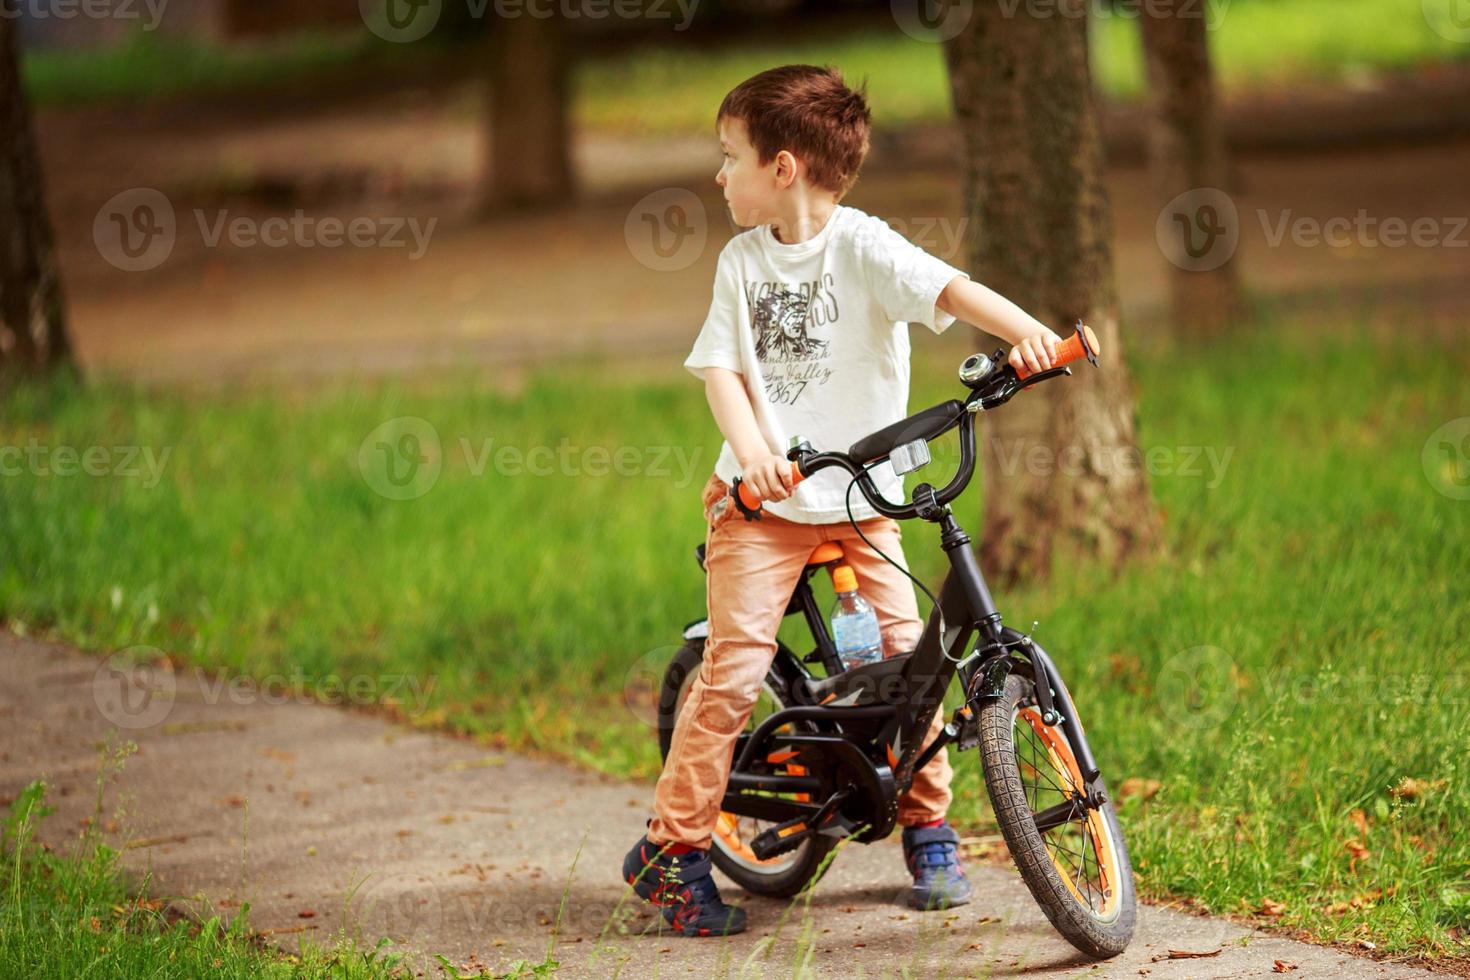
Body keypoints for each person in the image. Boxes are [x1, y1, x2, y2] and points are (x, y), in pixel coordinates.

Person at [622, 64, 1064, 938]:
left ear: (782, 167)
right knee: (736, 674)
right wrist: (754, 457)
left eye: (729, 157)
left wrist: (1032, 338)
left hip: (863, 499)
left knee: (915, 662)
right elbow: (721, 370)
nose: (719, 176)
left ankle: (927, 822)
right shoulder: (742, 262)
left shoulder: (865, 246)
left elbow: (950, 290)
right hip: (764, 506)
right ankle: (671, 850)